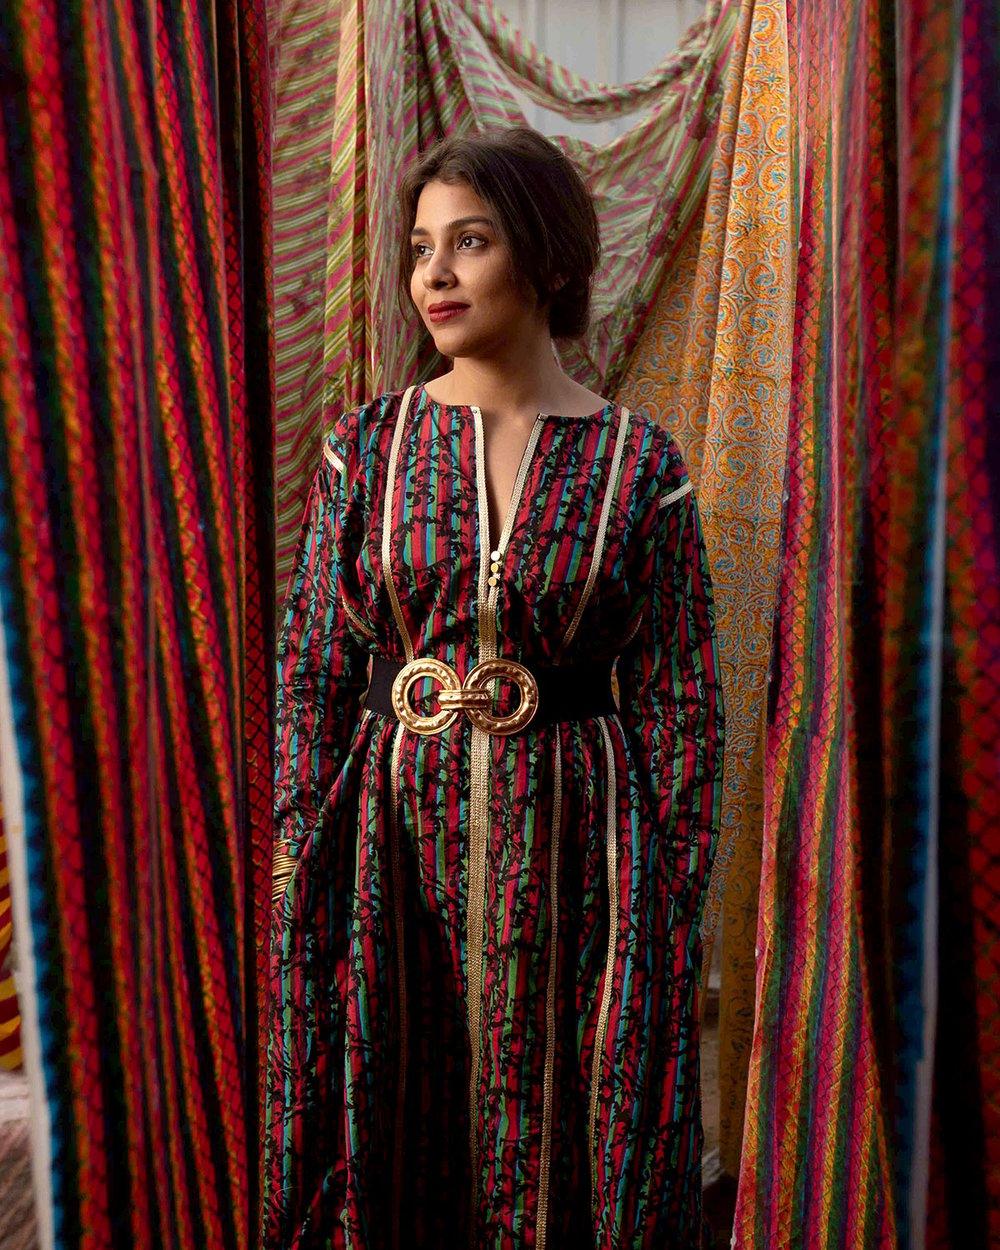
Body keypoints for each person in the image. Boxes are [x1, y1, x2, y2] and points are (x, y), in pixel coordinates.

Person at [264, 126, 724, 1249]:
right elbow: (316, 666)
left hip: (582, 855)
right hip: (386, 840)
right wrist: (296, 850)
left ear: (549, 258)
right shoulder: (366, 449)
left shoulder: (640, 465)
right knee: (393, 1107)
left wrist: (661, 885)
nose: (433, 273)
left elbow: (680, 699)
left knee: (568, 1122)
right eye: (422, 246)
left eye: (468, 242)